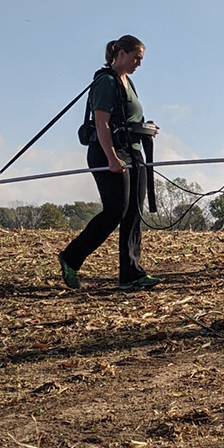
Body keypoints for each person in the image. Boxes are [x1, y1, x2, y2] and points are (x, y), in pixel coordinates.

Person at [59, 35, 160, 291]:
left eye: (141, 59)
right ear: (122, 54)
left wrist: (147, 128)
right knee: (116, 209)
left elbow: (131, 117)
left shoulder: (130, 83)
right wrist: (112, 157)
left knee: (134, 211)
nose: (139, 63)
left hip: (134, 150)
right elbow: (102, 122)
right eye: (136, 57)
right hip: (109, 151)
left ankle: (131, 274)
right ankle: (71, 257)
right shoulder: (106, 82)